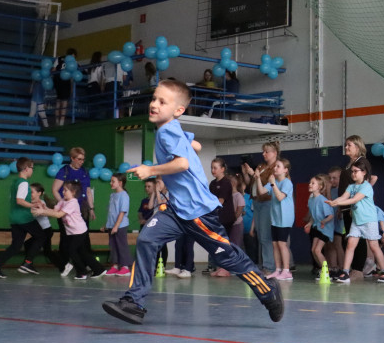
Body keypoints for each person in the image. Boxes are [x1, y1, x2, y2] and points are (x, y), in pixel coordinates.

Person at [101, 80, 282, 324]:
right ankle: (133, 302)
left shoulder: (167, 131)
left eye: (162, 101)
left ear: (178, 110)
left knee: (228, 258)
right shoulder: (170, 127)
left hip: (199, 213)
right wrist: (189, 146)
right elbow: (195, 144)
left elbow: (183, 163)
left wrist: (151, 169)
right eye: (154, 98)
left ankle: (268, 291)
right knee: (146, 239)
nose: (154, 104)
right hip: (177, 209)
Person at [326, 158, 384, 284]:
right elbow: (344, 196)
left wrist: (337, 203)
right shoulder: (351, 186)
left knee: (374, 246)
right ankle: (346, 272)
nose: (353, 174)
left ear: (364, 172)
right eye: (352, 171)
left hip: (369, 221)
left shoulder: (367, 187)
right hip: (357, 221)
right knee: (350, 244)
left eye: (356, 171)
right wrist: (335, 201)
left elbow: (354, 200)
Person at [34, 181, 105, 280]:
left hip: (79, 231)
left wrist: (43, 211)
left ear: (73, 192)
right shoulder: (63, 201)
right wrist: (43, 208)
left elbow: (59, 215)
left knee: (71, 250)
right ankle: (99, 269)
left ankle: (82, 272)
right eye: (63, 190)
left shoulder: (73, 203)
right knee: (82, 252)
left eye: (65, 190)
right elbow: (55, 211)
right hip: (73, 232)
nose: (63, 192)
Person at [0, 157, 43, 279]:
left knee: (16, 245)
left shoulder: (15, 182)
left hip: (14, 218)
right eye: (32, 168)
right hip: (24, 218)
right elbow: (19, 201)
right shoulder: (23, 183)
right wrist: (33, 205)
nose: (32, 170)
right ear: (27, 168)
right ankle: (28, 263)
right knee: (42, 235)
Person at [53, 147, 95, 276]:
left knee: (84, 238)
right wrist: (64, 205)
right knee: (66, 238)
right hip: (67, 211)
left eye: (83, 159)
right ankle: (65, 264)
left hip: (81, 208)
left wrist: (91, 208)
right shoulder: (64, 171)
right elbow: (55, 189)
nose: (81, 162)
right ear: (72, 158)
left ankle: (86, 265)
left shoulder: (84, 172)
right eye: (79, 159)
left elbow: (88, 191)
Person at [247, 142, 280, 274]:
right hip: (257, 202)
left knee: (266, 235)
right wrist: (251, 174)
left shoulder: (276, 168)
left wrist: (257, 176)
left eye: (267, 151)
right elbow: (254, 183)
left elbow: (267, 185)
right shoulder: (261, 166)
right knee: (261, 235)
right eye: (263, 151)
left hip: (267, 202)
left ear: (275, 153)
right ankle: (264, 263)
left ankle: (269, 266)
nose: (264, 154)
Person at [261, 157, 294, 281]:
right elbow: (261, 191)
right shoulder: (273, 182)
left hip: (284, 218)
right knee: (275, 244)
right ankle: (278, 269)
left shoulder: (287, 183)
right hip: (275, 218)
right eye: (275, 166)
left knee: (282, 244)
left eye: (278, 166)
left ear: (285, 170)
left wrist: (273, 184)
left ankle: (286, 271)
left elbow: (280, 197)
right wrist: (258, 178)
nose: (275, 168)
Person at [304, 174, 335, 278]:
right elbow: (314, 216)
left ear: (320, 187)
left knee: (317, 250)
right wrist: (309, 223)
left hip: (325, 230)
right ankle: (323, 270)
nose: (310, 185)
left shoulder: (322, 200)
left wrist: (324, 221)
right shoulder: (311, 199)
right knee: (313, 250)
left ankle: (327, 273)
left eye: (313, 183)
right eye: (310, 183)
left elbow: (331, 215)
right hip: (318, 228)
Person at [209, 158, 236, 272]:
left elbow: (220, 201)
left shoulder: (226, 183)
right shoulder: (212, 183)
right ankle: (217, 266)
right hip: (216, 218)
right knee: (215, 243)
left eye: (215, 168)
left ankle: (225, 268)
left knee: (223, 243)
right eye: (212, 168)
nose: (213, 170)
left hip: (225, 218)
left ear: (222, 169)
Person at [103, 173, 133, 276]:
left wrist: (116, 226)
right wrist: (107, 225)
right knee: (113, 246)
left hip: (120, 226)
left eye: (113, 181)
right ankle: (115, 265)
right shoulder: (112, 195)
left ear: (120, 183)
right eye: (111, 181)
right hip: (111, 226)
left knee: (121, 245)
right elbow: (111, 212)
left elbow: (122, 212)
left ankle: (125, 267)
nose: (110, 183)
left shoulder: (124, 195)